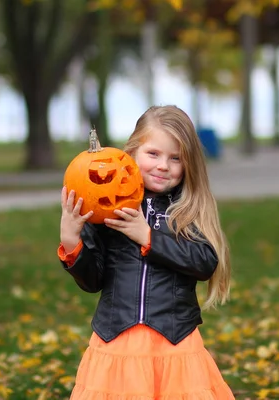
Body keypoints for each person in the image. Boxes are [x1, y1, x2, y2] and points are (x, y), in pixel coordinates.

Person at [58, 105, 234, 399]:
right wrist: (71, 241)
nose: (163, 165)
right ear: (132, 153)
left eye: (175, 158)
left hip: (175, 346)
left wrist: (148, 237)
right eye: (153, 154)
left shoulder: (186, 210)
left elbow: (204, 263)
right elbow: (92, 281)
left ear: (188, 164)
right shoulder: (106, 209)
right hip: (115, 343)